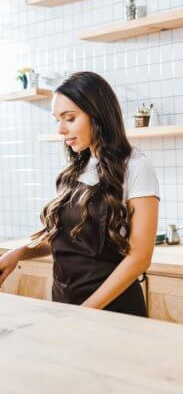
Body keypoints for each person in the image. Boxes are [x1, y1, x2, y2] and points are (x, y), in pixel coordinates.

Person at [0, 72, 159, 316]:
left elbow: (140, 258)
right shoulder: (77, 168)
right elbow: (65, 238)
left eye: (70, 118)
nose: (61, 130)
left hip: (113, 311)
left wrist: (86, 312)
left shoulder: (136, 165)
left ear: (98, 114)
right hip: (67, 306)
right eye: (58, 120)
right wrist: (19, 253)